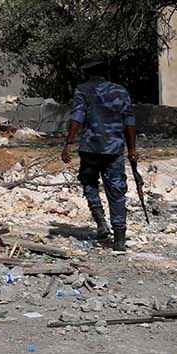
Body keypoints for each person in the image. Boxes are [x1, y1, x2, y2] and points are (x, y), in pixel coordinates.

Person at [61, 59, 137, 254]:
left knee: (89, 183)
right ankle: (119, 239)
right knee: (116, 191)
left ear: (88, 73)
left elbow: (77, 117)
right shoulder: (121, 91)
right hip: (114, 149)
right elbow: (129, 121)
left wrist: (68, 143)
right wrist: (132, 149)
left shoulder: (83, 90)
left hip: (91, 148)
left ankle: (100, 220)